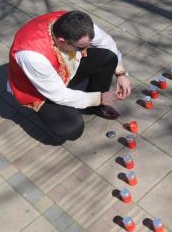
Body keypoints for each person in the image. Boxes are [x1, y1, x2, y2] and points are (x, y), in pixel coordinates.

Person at [7, 10, 132, 141]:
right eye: (81, 47)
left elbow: (106, 42)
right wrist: (98, 98)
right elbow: (58, 94)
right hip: (39, 91)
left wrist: (120, 74)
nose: (85, 51)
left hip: (65, 72)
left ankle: (95, 108)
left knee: (108, 57)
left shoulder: (78, 24)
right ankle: (92, 103)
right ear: (61, 41)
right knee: (72, 129)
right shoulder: (32, 56)